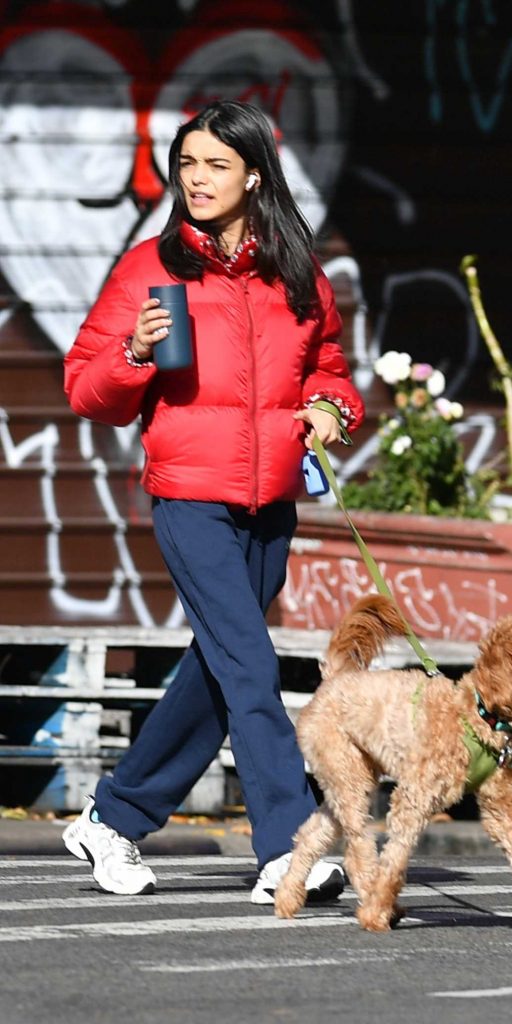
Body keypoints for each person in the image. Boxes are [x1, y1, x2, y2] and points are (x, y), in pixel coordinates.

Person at [61, 100, 365, 903]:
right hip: (191, 496)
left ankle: (112, 819)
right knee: (251, 665)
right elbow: (86, 390)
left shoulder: (299, 274)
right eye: (187, 165)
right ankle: (287, 851)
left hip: (271, 502)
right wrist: (133, 353)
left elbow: (330, 366)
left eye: (215, 165)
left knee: (219, 668)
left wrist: (330, 409)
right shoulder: (149, 270)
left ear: (254, 175)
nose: (196, 180)